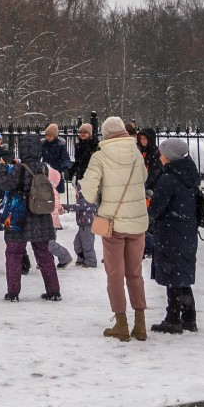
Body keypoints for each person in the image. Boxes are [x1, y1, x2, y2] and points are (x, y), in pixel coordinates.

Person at [80, 116, 149, 342]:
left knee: (115, 274)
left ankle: (121, 324)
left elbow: (89, 193)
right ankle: (140, 325)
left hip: (114, 223)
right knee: (135, 273)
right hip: (137, 223)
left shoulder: (99, 156)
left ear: (105, 133)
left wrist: (101, 193)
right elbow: (144, 178)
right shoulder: (136, 153)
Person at [0, 134, 61, 302]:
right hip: (40, 215)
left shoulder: (20, 168)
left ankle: (13, 293)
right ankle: (54, 291)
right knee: (44, 254)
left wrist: (3, 168)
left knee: (14, 253)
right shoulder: (43, 168)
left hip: (20, 216)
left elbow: (5, 184)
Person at [148, 138, 199, 334]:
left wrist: (149, 209)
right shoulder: (189, 174)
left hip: (170, 231)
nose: (159, 156)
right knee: (182, 272)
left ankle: (173, 318)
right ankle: (189, 317)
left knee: (173, 274)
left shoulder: (168, 178)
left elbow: (156, 208)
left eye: (162, 153)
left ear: (169, 157)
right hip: (186, 230)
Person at [137, 127, 162, 259]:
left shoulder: (155, 153)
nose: (142, 141)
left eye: (145, 138)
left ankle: (150, 246)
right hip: (142, 187)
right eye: (141, 138)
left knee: (149, 219)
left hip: (150, 188)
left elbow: (154, 172)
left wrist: (146, 183)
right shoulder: (141, 151)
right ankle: (146, 245)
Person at [47, 168, 73, 269]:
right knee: (46, 242)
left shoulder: (50, 192)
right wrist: (61, 210)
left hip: (51, 221)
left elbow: (54, 205)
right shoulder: (54, 191)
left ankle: (65, 256)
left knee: (49, 243)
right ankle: (46, 260)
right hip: (52, 221)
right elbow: (59, 207)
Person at [73, 183, 98, 268]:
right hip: (82, 226)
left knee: (87, 243)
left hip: (88, 226)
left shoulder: (85, 201)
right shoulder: (82, 200)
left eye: (76, 191)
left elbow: (75, 207)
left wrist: (62, 207)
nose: (75, 193)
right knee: (77, 243)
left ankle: (91, 261)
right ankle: (82, 258)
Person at [41, 124, 72, 190]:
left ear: (54, 136)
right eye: (46, 135)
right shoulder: (44, 145)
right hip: (46, 170)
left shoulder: (60, 145)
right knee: (46, 190)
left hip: (57, 170)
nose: (48, 137)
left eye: (50, 136)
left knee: (56, 190)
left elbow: (65, 157)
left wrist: (65, 167)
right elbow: (38, 155)